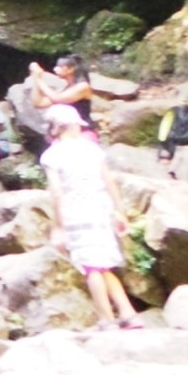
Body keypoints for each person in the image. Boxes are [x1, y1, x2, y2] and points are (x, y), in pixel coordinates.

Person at [40, 105, 142, 331]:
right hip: (100, 210)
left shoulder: (52, 155)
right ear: (70, 125)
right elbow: (109, 181)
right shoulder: (91, 148)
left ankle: (106, 319)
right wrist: (119, 211)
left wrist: (58, 227)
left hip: (75, 213)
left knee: (91, 268)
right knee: (103, 265)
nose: (79, 127)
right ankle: (128, 314)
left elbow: (57, 192)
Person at [30, 54, 96, 133]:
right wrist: (36, 80)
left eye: (60, 66)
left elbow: (58, 99)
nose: (55, 69)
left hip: (82, 132)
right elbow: (39, 103)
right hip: (66, 133)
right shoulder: (66, 89)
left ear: (71, 69)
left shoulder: (83, 86)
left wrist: (39, 80)